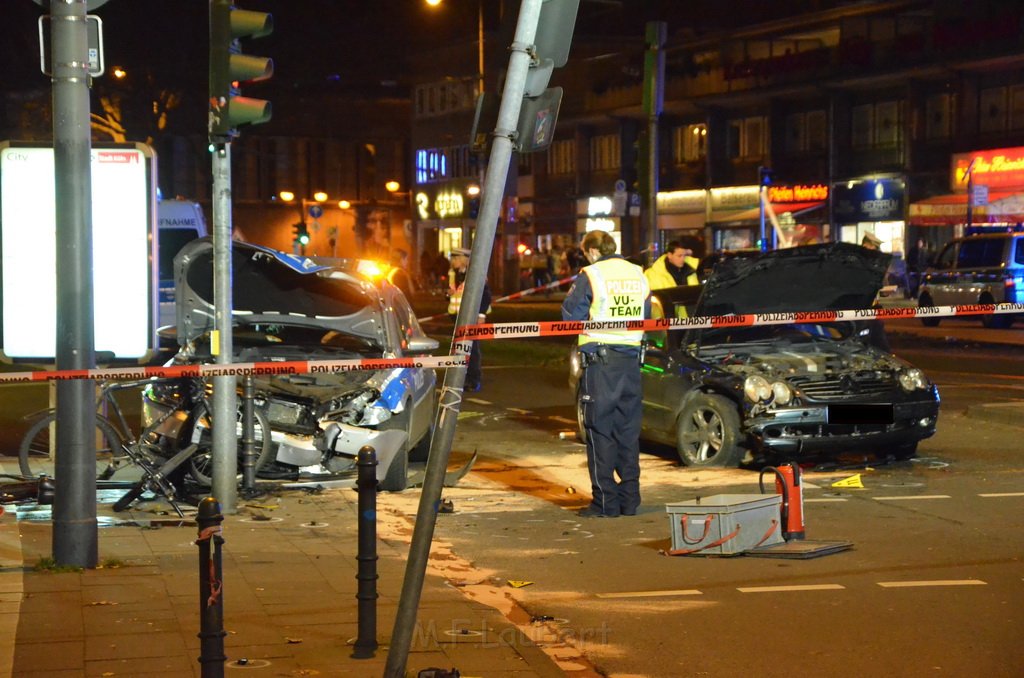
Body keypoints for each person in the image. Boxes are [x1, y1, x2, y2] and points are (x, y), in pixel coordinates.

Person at [562, 230, 651, 518]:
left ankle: (605, 503)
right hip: (631, 362)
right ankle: (629, 500)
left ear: (592, 251)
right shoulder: (638, 273)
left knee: (600, 430)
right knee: (627, 430)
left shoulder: (591, 273)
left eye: (585, 252)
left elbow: (570, 318)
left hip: (601, 363)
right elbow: (646, 316)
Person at [447, 247, 491, 392]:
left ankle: (474, 379)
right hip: (458, 316)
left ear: (464, 259)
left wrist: (481, 315)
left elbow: (485, 295)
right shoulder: (454, 274)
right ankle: (462, 378)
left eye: (455, 259)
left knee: (472, 349)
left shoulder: (475, 274)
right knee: (460, 349)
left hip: (472, 317)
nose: (452, 262)